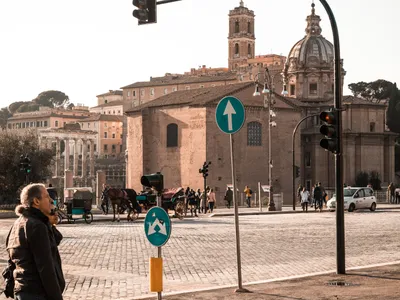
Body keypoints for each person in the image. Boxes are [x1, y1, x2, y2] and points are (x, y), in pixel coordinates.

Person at [6, 183, 65, 300]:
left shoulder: (17, 224)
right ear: (36, 201)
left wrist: (49, 221)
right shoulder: (37, 226)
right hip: (37, 293)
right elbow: (46, 269)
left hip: (23, 291)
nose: (51, 200)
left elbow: (56, 240)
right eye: (47, 197)